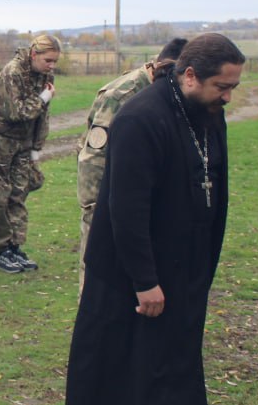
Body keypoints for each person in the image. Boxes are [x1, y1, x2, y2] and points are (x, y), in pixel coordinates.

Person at [61, 32, 245, 405]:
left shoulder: (205, 114)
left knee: (170, 361)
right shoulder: (141, 119)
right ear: (188, 75)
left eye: (232, 88)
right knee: (128, 364)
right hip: (131, 271)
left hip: (182, 264)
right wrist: (146, 281)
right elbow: (126, 208)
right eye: (221, 87)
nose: (227, 97)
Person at [76, 37, 188, 287]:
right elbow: (94, 157)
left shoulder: (169, 90)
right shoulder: (123, 95)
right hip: (105, 198)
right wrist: (96, 210)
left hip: (136, 195)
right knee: (99, 273)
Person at [0, 33, 60, 273]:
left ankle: (16, 247)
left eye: (54, 61)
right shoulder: (13, 72)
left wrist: (37, 147)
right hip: (1, 139)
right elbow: (15, 112)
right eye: (48, 60)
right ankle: (2, 250)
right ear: (34, 54)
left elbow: (41, 116)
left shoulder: (45, 75)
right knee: (0, 194)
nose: (52, 65)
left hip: (24, 141)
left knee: (19, 192)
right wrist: (44, 98)